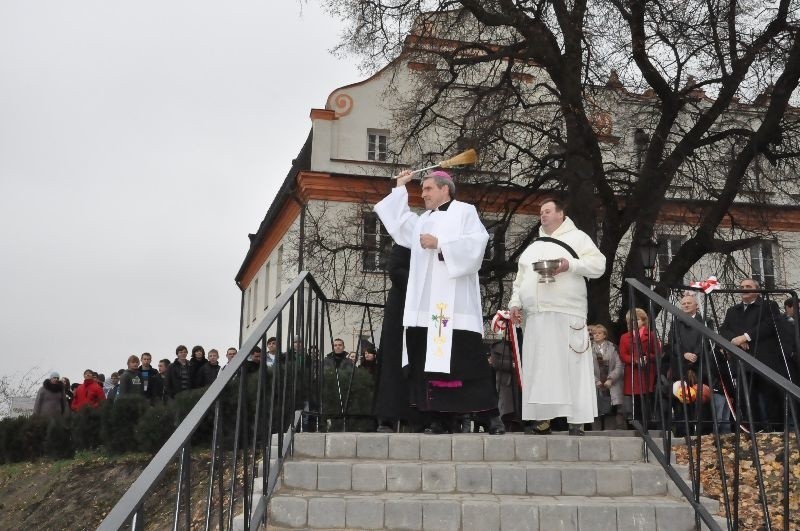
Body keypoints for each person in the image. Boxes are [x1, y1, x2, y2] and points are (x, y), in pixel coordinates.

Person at [375, 169, 503, 435]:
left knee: (468, 363)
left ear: (445, 188)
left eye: (428, 189)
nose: (423, 194)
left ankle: (490, 417)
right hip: (427, 310)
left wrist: (441, 244)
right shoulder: (423, 221)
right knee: (429, 366)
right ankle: (439, 419)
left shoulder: (465, 212)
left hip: (455, 307)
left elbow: (478, 245)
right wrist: (399, 188)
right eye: (421, 190)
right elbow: (399, 224)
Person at [508, 198, 606, 436]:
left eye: (548, 211)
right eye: (541, 212)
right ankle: (542, 420)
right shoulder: (533, 247)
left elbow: (598, 265)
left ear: (561, 214)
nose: (543, 215)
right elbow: (520, 280)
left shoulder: (578, 238)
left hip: (567, 312)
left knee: (572, 365)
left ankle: (577, 420)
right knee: (541, 368)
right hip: (537, 315)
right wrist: (515, 302)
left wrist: (569, 265)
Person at [719, 278, 786, 431]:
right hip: (742, 362)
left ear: (756, 289)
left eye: (748, 286)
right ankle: (754, 430)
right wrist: (736, 339)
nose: (744, 289)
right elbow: (724, 329)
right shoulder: (732, 310)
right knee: (747, 398)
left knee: (770, 397)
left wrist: (746, 336)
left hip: (764, 361)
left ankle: (776, 430)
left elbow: (770, 325)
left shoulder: (768, 305)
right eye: (741, 286)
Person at [374, 244, 418, 433]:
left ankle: (415, 415)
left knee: (418, 361)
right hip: (400, 307)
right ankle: (387, 415)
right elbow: (395, 270)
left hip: (421, 310)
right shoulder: (404, 243)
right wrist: (420, 284)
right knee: (393, 361)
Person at [619, 308, 660, 428]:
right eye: (630, 321)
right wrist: (635, 360)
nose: (633, 323)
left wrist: (647, 357)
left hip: (647, 372)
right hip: (632, 373)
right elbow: (623, 355)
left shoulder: (651, 335)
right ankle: (636, 426)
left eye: (636, 319)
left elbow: (657, 352)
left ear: (643, 321)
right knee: (634, 401)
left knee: (647, 400)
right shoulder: (624, 337)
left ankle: (649, 425)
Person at [591, 325, 624, 430]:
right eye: (594, 333)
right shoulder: (588, 348)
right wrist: (595, 381)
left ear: (604, 335)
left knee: (611, 410)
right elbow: (586, 367)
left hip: (611, 384)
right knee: (595, 411)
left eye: (599, 333)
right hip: (595, 384)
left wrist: (610, 379)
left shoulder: (613, 347)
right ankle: (595, 436)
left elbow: (619, 365)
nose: (596, 335)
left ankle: (611, 433)